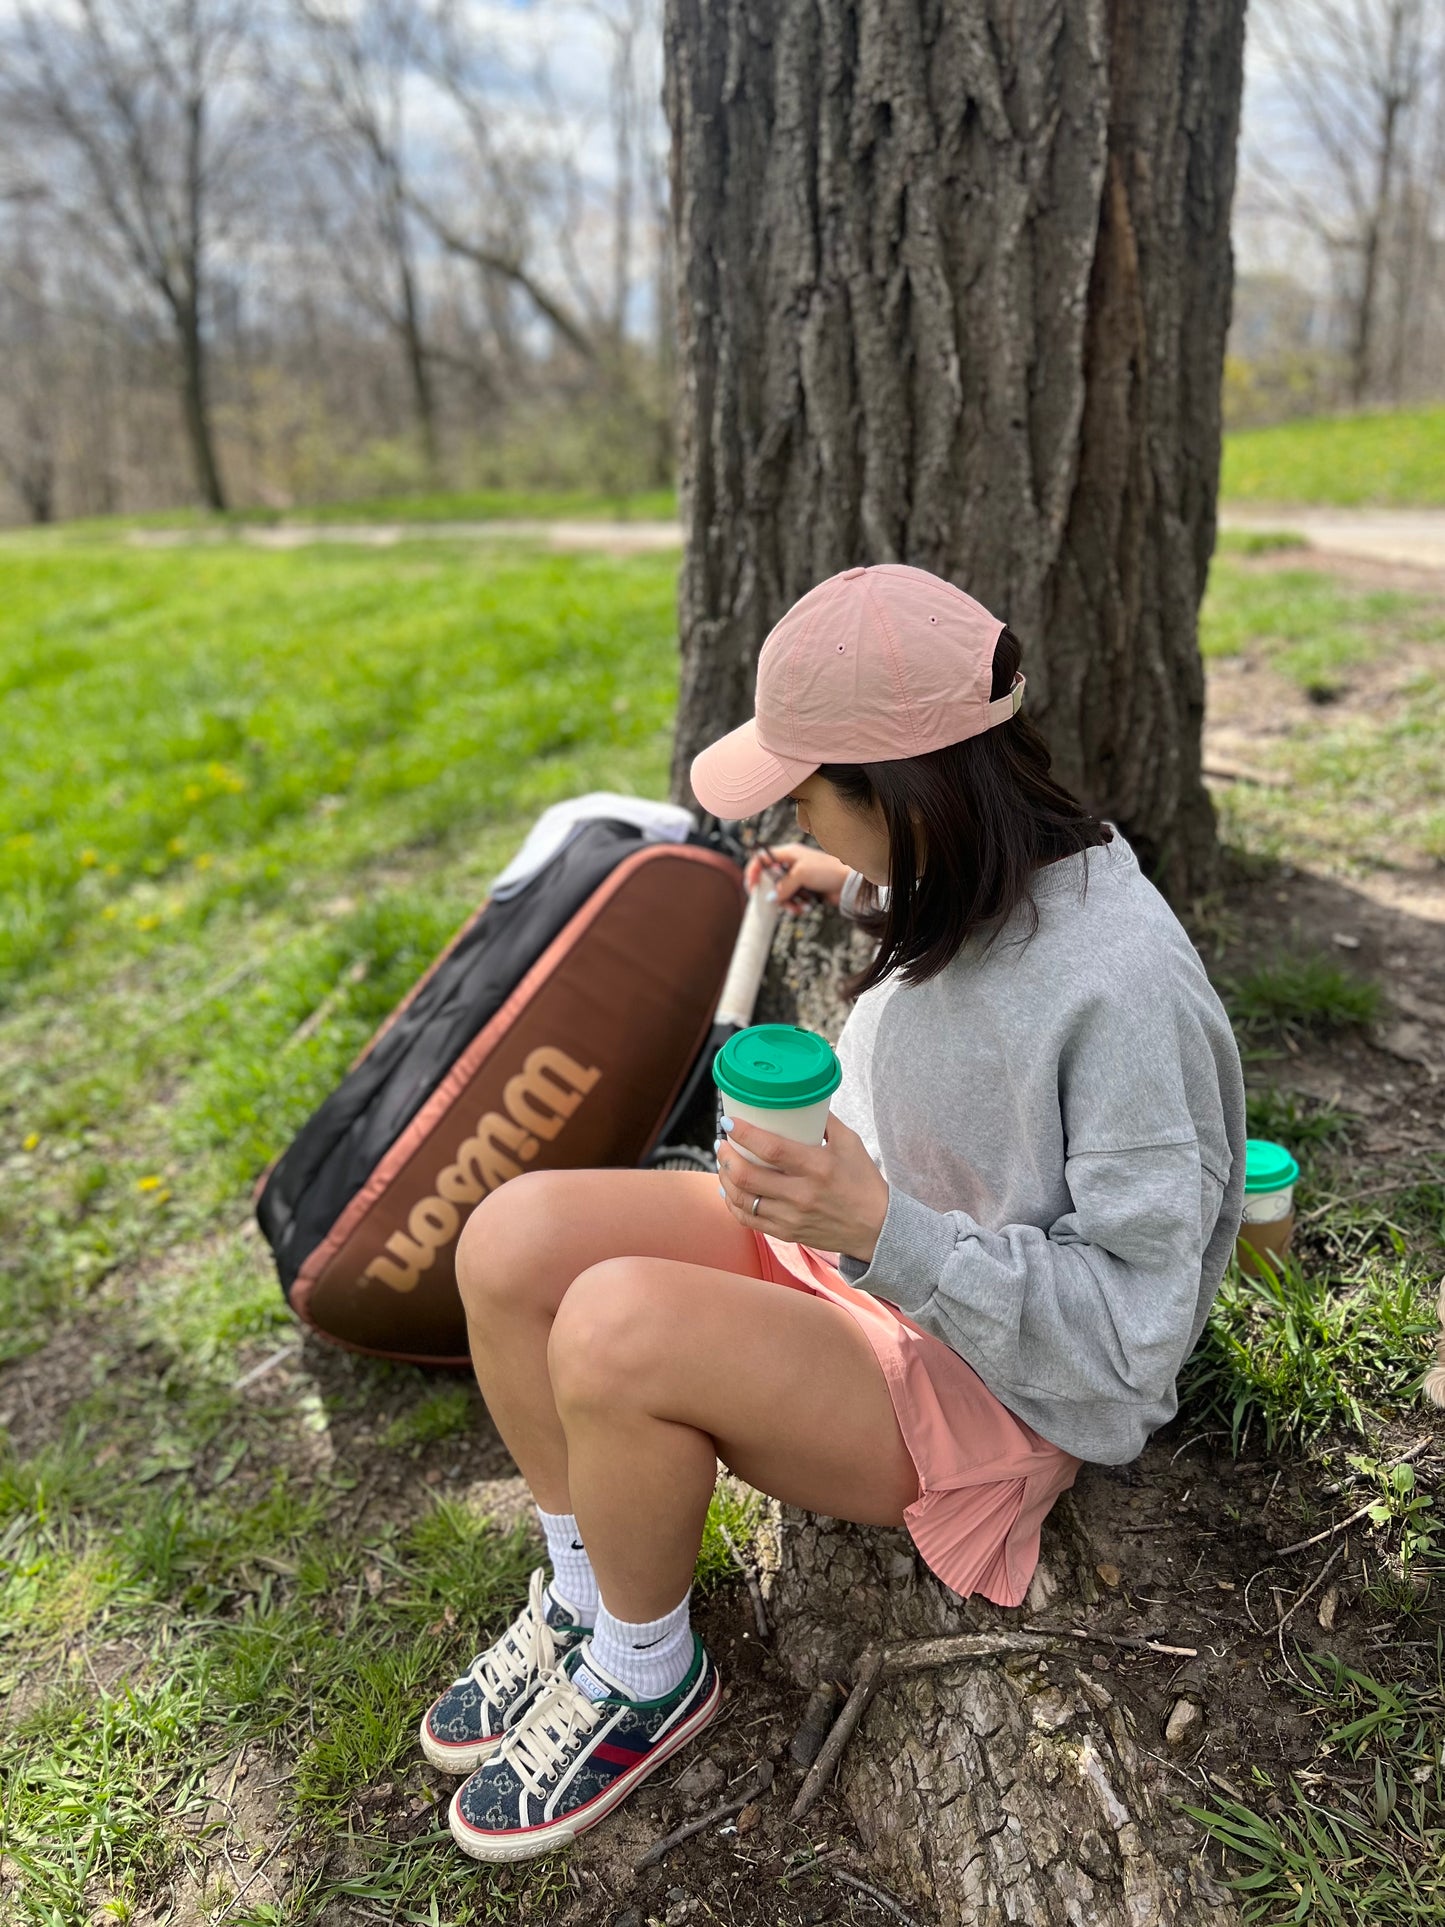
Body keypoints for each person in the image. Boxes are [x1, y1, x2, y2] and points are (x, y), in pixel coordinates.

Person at [419, 562, 1248, 1862]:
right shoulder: (982, 871)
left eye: (811, 796)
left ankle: (646, 1671)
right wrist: (850, 883)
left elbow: (1130, 1348)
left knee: (613, 1329)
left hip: (983, 1379)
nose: (791, 816)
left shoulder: (1124, 989)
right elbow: (984, 978)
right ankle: (586, 1597)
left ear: (911, 794)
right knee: (513, 1236)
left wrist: (880, 1227)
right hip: (865, 1256)